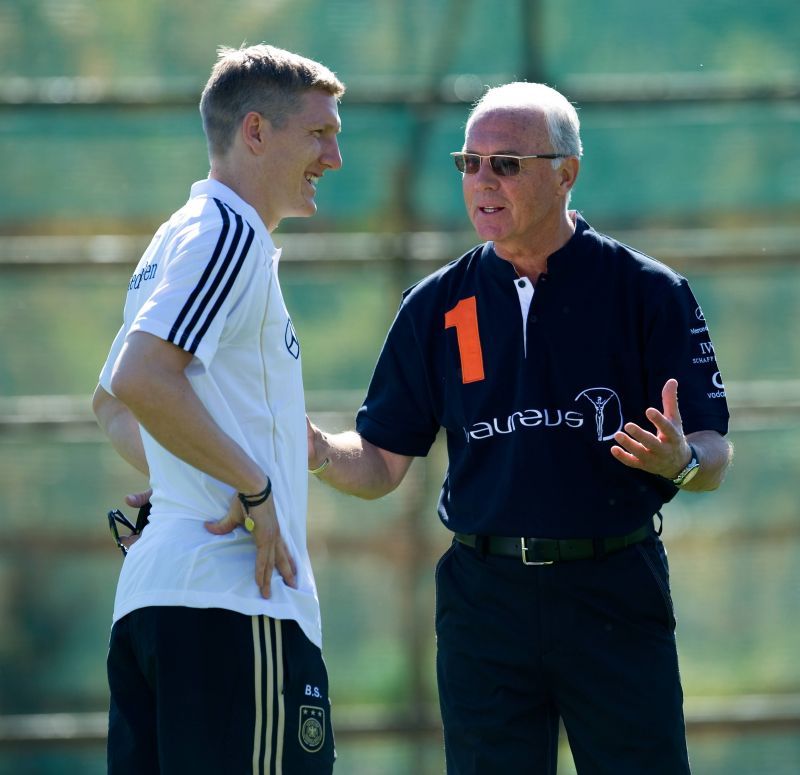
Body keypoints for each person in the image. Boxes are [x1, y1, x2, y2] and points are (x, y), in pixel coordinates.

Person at [305, 82, 733, 773]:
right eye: (468, 163)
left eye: (505, 163)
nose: (481, 181)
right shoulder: (435, 305)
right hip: (485, 599)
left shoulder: (648, 291)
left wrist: (681, 460)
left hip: (613, 589)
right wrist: (321, 451)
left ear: (566, 172)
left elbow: (714, 452)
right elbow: (382, 459)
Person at [92, 44, 344, 774]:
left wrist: (183, 471)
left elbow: (109, 401)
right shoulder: (231, 233)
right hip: (237, 606)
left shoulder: (177, 236)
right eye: (319, 134)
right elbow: (140, 377)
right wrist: (251, 485)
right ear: (256, 132)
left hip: (157, 608)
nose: (333, 157)